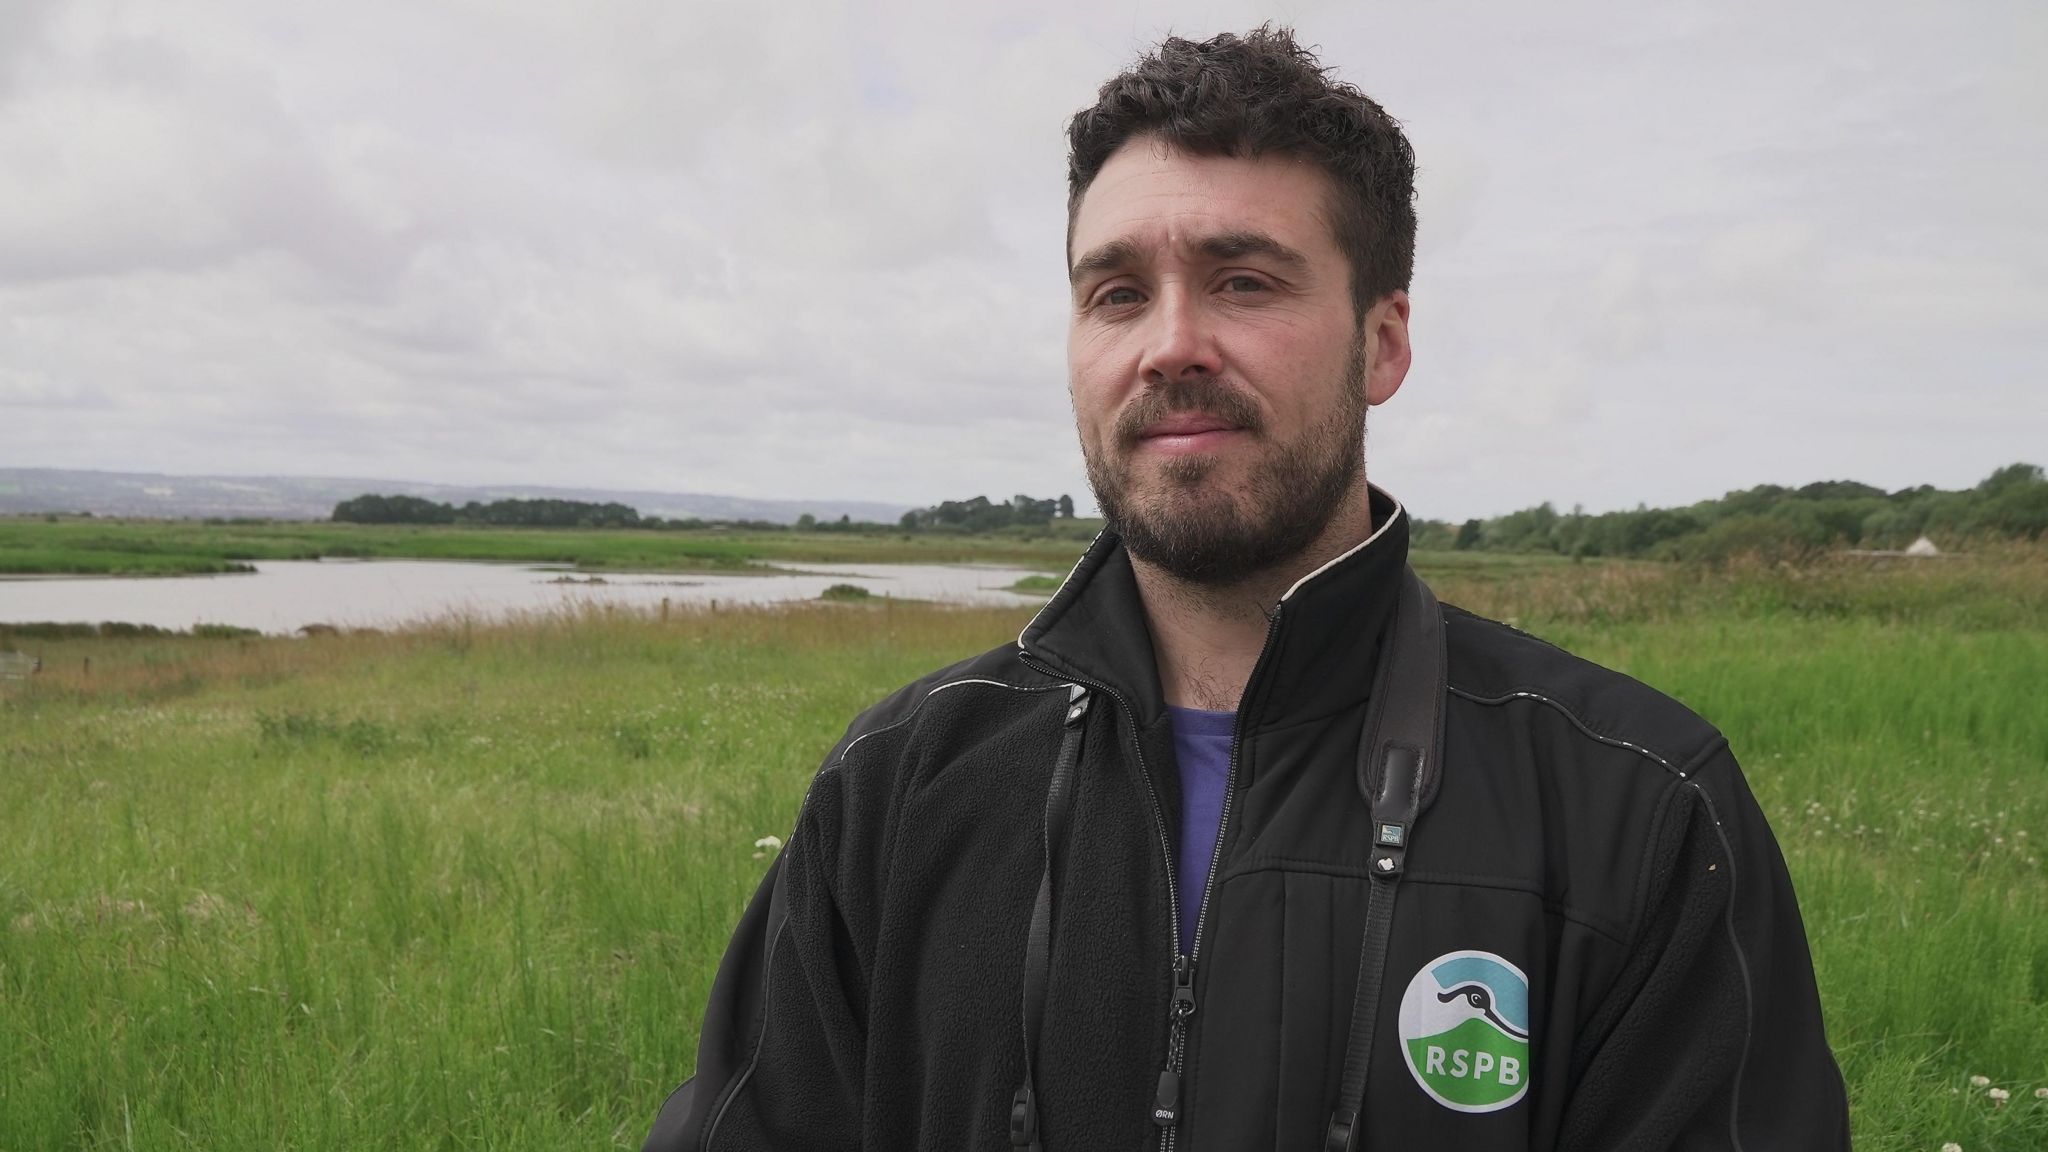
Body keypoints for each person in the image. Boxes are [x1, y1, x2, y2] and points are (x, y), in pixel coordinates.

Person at [645, 26, 1849, 1151]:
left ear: (1381, 344)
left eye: (1244, 281)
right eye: (1115, 292)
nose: (1169, 342)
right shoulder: (902, 783)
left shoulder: (1633, 811)